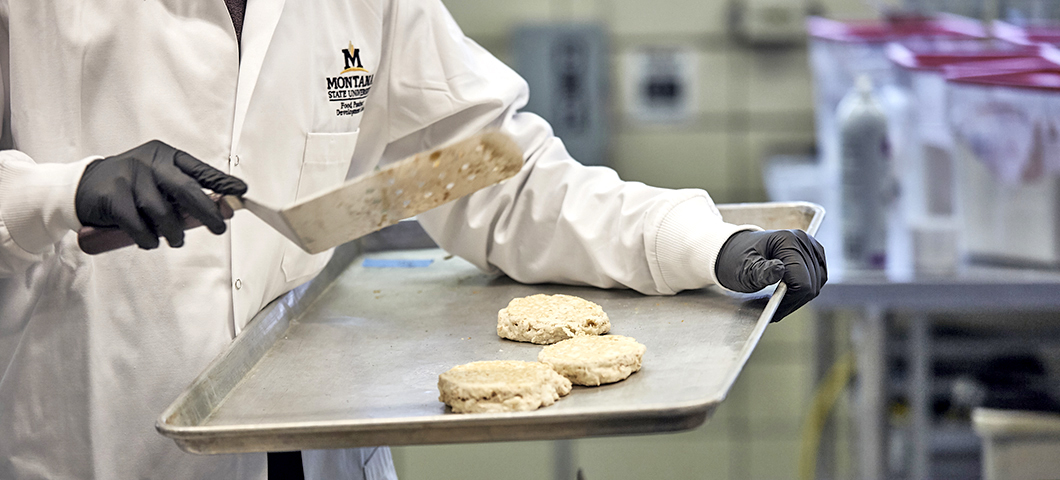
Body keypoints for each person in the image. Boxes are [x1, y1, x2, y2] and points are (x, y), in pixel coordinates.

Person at [0, 1, 826, 479]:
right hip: (90, 441)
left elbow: (496, 177)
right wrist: (58, 191)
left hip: (314, 452)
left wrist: (702, 245)